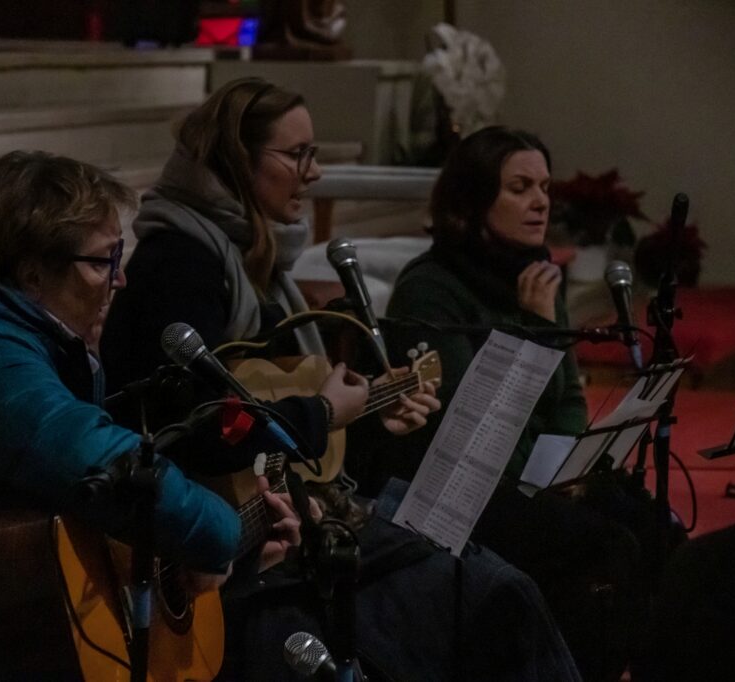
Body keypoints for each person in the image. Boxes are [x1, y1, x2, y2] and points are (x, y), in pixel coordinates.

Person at [101, 79, 580, 681]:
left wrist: (372, 416)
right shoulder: (182, 265)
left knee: (501, 589)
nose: (315, 171)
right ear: (237, 159)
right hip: (208, 548)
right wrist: (325, 413)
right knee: (494, 594)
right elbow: (202, 429)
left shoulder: (255, 263)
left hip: (281, 518)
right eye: (297, 154)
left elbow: (286, 436)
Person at [0, 151, 302, 680]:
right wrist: (222, 532)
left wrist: (230, 552)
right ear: (33, 273)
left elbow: (68, 535)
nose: (120, 280)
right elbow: (102, 463)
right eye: (102, 262)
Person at [371, 126, 649, 682]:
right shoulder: (430, 289)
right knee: (603, 544)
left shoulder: (536, 274)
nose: (540, 201)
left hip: (534, 477)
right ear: (472, 202)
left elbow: (568, 395)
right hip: (462, 493)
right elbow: (478, 435)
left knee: (650, 521)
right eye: (520, 188)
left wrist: (568, 468)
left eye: (544, 187)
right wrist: (534, 327)